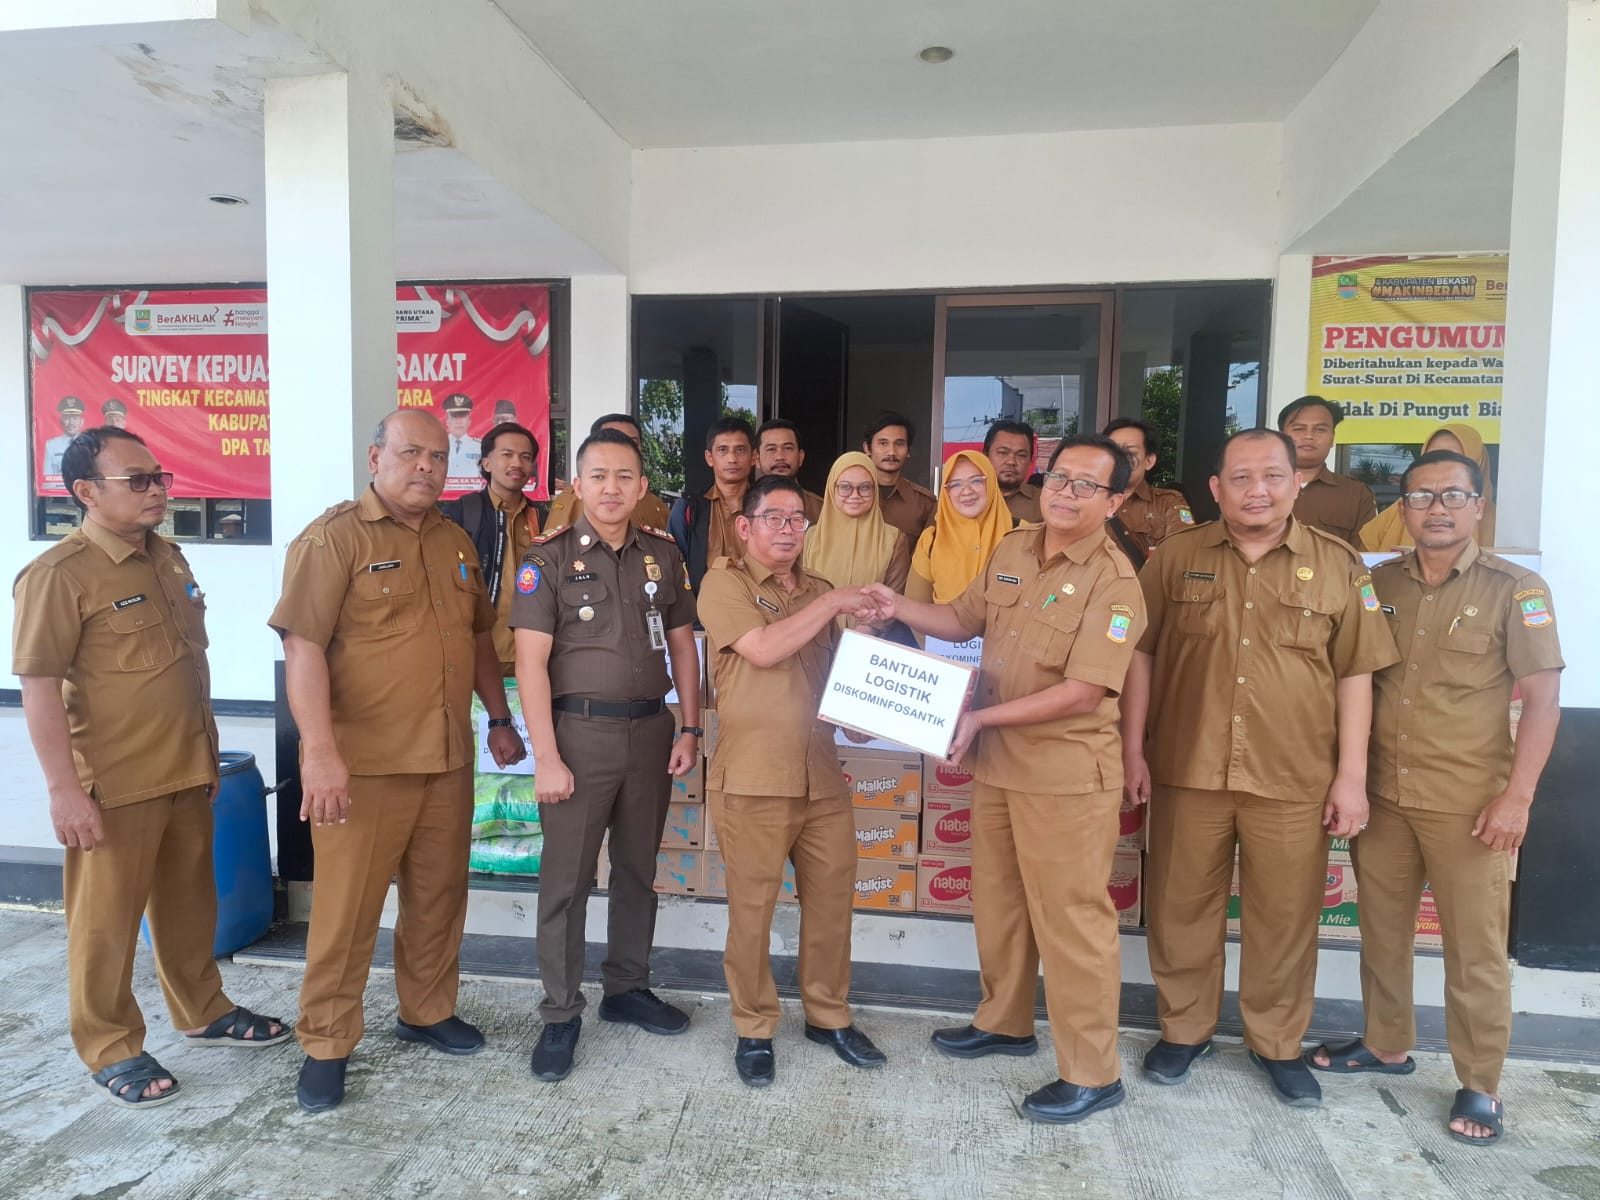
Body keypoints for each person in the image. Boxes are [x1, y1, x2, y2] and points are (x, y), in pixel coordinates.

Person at [864, 434, 1144, 1125]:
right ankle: (1006, 1022)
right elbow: (961, 618)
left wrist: (981, 719)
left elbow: (1083, 691)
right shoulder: (1014, 548)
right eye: (1061, 478)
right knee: (999, 904)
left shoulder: (1116, 582)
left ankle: (1093, 1072)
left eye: (1087, 485)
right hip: (998, 767)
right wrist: (893, 606)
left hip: (1064, 775)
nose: (1066, 493)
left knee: (1072, 921)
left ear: (1114, 502)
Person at [1121, 428, 1398, 1108]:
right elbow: (1139, 655)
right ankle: (1184, 1030)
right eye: (1240, 478)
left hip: (1295, 775)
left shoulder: (1339, 565)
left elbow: (1356, 674)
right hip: (1188, 768)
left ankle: (1277, 1042)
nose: (1257, 490)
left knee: (1286, 918)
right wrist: (1132, 748)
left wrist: (1351, 777)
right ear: (1216, 488)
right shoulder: (1175, 557)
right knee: (1182, 910)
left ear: (1296, 482)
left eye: (1272, 475)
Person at [13, 427, 289, 1108]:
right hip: (115, 783)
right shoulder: (59, 575)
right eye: (136, 480)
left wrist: (205, 754)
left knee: (190, 907)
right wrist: (64, 791)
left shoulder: (167, 558)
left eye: (160, 477)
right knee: (105, 924)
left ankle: (202, 1010)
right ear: (85, 492)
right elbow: (39, 688)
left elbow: (187, 665)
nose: (158, 490)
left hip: (186, 768)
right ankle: (109, 1045)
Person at [268, 409, 526, 1113]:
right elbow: (302, 648)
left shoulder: (454, 540)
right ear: (375, 457)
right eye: (411, 453)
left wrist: (499, 718)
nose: (426, 468)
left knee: (438, 899)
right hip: (363, 766)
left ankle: (426, 1010)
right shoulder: (333, 539)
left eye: (439, 457)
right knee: (346, 912)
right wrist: (319, 752)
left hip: (446, 756)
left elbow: (477, 638)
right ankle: (326, 1043)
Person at [1307, 449, 1562, 1146]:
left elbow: (1543, 702)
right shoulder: (1378, 583)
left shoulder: (1517, 589)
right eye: (1420, 497)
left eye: (1452, 496)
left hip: (1469, 805)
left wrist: (1518, 799)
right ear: (1405, 509)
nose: (1436, 509)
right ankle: (1386, 1044)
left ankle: (1481, 1082)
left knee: (1474, 950)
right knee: (1382, 932)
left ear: (1479, 507)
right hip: (1384, 795)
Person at [511, 428, 703, 1082]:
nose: (612, 488)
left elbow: (683, 645)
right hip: (578, 737)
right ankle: (561, 1011)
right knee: (565, 882)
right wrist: (546, 757)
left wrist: (690, 728)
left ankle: (626, 987)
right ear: (577, 484)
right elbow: (529, 664)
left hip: (651, 733)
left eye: (624, 476)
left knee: (636, 871)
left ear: (643, 486)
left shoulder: (663, 554)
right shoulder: (548, 560)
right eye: (598, 476)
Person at [697, 475, 886, 1087]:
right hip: (754, 779)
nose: (787, 530)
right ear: (744, 526)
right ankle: (754, 1027)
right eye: (773, 518)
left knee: (832, 905)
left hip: (821, 776)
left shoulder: (819, 590)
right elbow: (761, 649)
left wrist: (863, 714)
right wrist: (834, 605)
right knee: (752, 913)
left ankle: (828, 1016)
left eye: (797, 520)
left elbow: (835, 679)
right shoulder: (724, 584)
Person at [439, 421, 543, 679]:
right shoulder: (460, 514)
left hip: (537, 658)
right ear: (486, 463)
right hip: (478, 656)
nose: (517, 463)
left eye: (525, 457)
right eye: (507, 454)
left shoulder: (543, 518)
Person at [801, 451, 911, 631]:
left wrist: (860, 636)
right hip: (814, 637)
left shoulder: (894, 539)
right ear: (832, 489)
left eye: (865, 487)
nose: (855, 495)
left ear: (875, 490)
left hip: (866, 640)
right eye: (845, 487)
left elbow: (893, 599)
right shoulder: (808, 538)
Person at [1361, 423, 1498, 551]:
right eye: (1433, 457)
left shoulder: (1499, 525)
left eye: (1454, 458)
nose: (1440, 465)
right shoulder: (1398, 513)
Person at [906, 451, 1012, 605]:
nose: (967, 491)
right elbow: (915, 608)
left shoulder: (1022, 534)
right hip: (941, 622)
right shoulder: (931, 540)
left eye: (976, 481)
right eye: (955, 484)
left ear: (991, 483)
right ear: (946, 492)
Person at [669, 416, 756, 594]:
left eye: (740, 450)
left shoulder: (767, 508)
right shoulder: (688, 509)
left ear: (754, 457)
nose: (732, 458)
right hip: (702, 610)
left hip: (761, 608)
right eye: (723, 450)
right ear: (709, 458)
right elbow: (674, 571)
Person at [547, 413, 673, 532]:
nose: (622, 448)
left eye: (632, 443)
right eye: (612, 440)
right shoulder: (571, 499)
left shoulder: (654, 503)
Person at [1279, 395, 1377, 548]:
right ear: (1280, 437)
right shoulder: (1256, 488)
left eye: (1320, 429)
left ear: (1332, 438)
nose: (1308, 436)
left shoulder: (1356, 494)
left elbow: (1363, 556)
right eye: (1298, 429)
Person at [1103, 417, 1193, 565]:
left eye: (1129, 452)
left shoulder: (1168, 503)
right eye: (1112, 451)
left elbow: (1182, 557)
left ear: (1149, 461)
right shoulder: (1087, 499)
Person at [862, 411, 936, 542]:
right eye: (883, 443)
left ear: (908, 450)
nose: (891, 452)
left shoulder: (925, 503)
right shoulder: (849, 497)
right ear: (867, 448)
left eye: (899, 444)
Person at [755, 418, 824, 523]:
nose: (780, 457)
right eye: (771, 449)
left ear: (801, 457)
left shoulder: (820, 509)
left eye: (788, 448)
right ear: (757, 459)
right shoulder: (745, 504)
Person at [984, 420, 1041, 524]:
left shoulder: (1044, 502)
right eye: (1003, 452)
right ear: (986, 455)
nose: (1011, 462)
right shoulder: (967, 497)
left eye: (1021, 455)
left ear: (1030, 460)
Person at [44, 395, 86, 477]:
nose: (71, 423)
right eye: (67, 418)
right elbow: (48, 477)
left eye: (75, 418)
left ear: (81, 422)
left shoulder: (90, 445)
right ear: (61, 421)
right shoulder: (51, 445)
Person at [443, 393, 482, 480]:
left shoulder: (479, 446)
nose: (458, 422)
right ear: (447, 421)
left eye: (462, 417)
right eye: (454, 417)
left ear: (469, 421)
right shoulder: (439, 445)